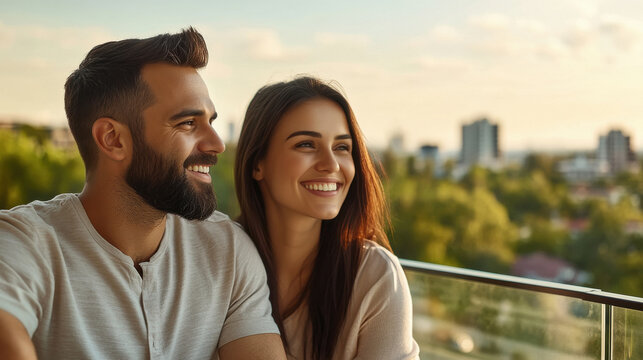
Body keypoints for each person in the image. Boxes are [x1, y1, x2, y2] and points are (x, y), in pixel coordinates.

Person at [0, 28, 286, 359]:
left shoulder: (228, 252)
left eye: (210, 121)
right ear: (112, 139)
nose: (216, 144)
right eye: (188, 124)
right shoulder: (23, 242)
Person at [235, 76, 420, 359]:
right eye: (306, 144)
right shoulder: (219, 262)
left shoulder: (375, 277)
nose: (331, 164)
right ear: (258, 163)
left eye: (342, 147)